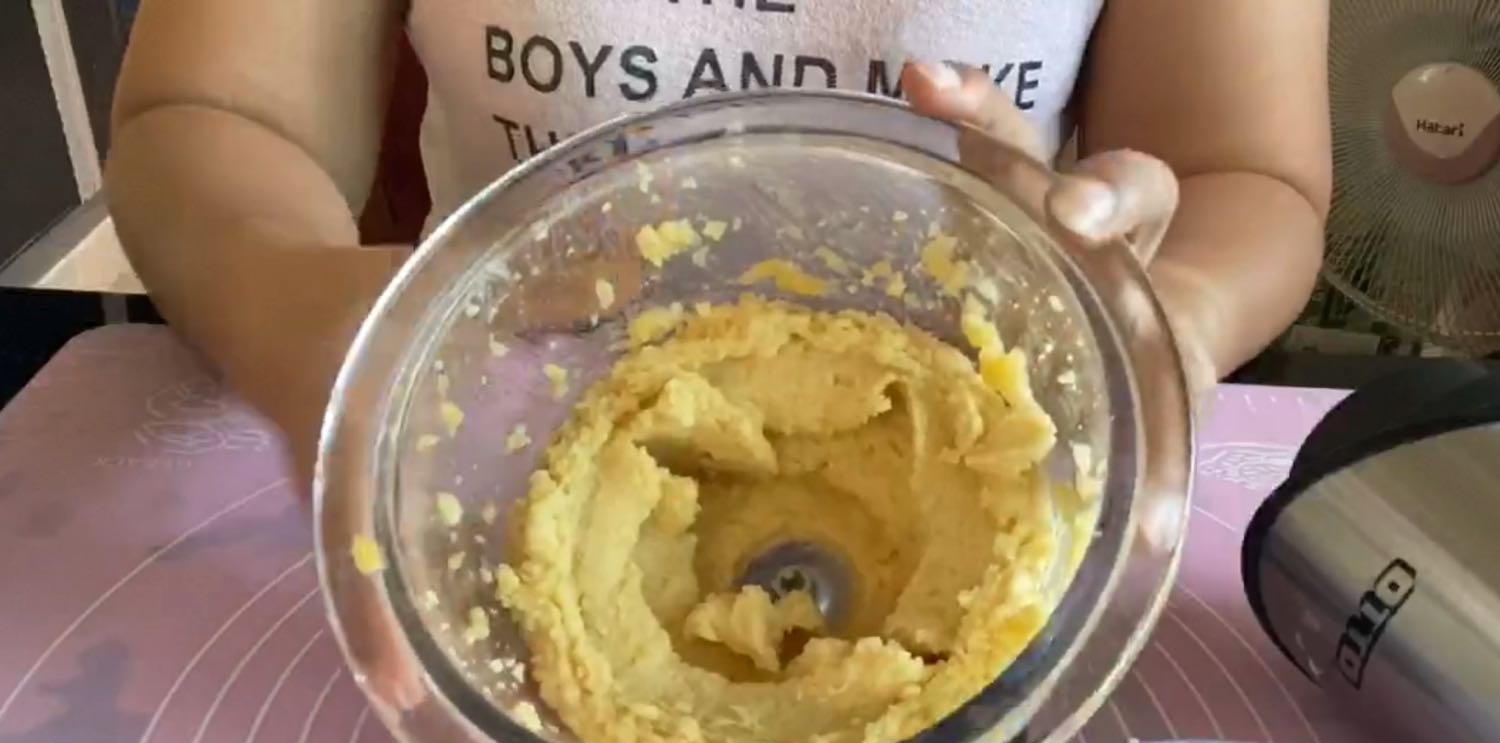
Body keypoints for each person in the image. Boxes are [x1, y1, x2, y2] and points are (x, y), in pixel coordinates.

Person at [105, 1, 1330, 483]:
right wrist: (289, 299)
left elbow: (1243, 172)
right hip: (491, 451)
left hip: (978, 460)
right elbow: (214, 113)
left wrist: (1169, 312)